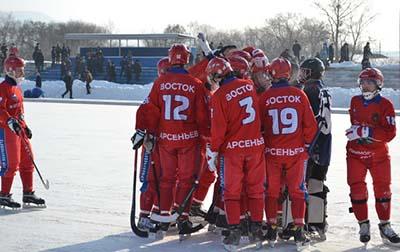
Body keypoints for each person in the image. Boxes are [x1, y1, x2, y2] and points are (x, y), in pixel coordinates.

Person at [141, 44, 209, 235]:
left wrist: (149, 133)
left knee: (166, 179)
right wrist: (207, 136)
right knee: (186, 180)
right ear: (187, 59)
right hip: (188, 140)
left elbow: (151, 111)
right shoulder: (195, 83)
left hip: (166, 140)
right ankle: (182, 218)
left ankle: (164, 216)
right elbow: (202, 117)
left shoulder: (160, 83)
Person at [207, 57, 265, 250]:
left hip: (233, 151)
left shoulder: (219, 96)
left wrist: (213, 150)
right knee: (256, 190)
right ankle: (256, 229)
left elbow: (218, 129)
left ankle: (234, 232)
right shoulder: (249, 85)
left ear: (217, 75)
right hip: (256, 146)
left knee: (231, 193)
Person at [259, 57, 317, 249]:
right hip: (295, 153)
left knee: (272, 192)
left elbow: (259, 127)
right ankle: (299, 229)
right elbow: (311, 126)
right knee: (298, 192)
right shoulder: (299, 95)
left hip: (273, 154)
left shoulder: (265, 97)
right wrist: (306, 145)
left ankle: (272, 227)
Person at [345, 67, 400, 246]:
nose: (366, 85)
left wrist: (364, 131)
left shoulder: (386, 105)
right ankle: (363, 224)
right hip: (355, 154)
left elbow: (390, 133)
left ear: (378, 84)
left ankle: (385, 225)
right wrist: (355, 132)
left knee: (383, 190)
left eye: (369, 82)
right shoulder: (355, 101)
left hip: (378, 155)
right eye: (363, 82)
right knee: (357, 189)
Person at [0, 48, 45, 209]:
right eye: (19, 70)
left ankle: (28, 192)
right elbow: (1, 110)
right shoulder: (3, 88)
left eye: (22, 70)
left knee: (28, 159)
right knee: (11, 164)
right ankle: (4, 194)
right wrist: (10, 122)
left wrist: (25, 127)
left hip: (19, 130)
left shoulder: (18, 90)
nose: (22, 73)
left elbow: (20, 112)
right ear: (10, 70)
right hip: (6, 130)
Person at [296, 58, 332, 240]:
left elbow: (312, 121)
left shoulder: (310, 90)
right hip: (325, 145)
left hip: (314, 144)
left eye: (304, 71)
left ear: (312, 72)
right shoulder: (323, 88)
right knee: (317, 183)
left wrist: (308, 146)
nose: (301, 74)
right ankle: (317, 222)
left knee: (304, 184)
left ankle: (302, 222)